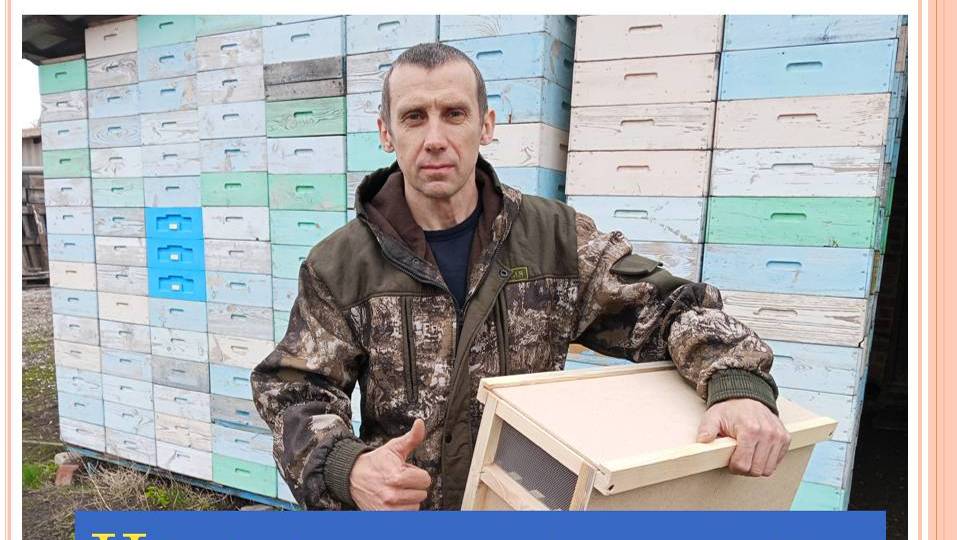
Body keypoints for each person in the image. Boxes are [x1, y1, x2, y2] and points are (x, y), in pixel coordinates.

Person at [251, 42, 790, 511]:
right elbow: (294, 390)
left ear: (486, 125)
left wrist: (736, 385)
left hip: (526, 505)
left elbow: (671, 308)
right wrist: (349, 468)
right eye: (414, 117)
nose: (435, 137)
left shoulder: (555, 239)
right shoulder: (340, 264)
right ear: (386, 132)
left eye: (454, 114)